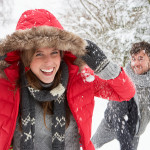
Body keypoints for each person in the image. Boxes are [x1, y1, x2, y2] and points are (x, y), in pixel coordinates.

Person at [0, 9, 135, 150]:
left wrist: (106, 67)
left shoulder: (80, 78)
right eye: (38, 54)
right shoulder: (7, 83)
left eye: (54, 52)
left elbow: (125, 93)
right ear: (26, 57)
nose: (49, 62)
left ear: (61, 53)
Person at [91, 41, 150, 150]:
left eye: (140, 59)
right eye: (133, 59)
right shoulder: (123, 78)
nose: (136, 63)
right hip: (111, 123)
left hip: (135, 130)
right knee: (91, 146)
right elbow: (117, 110)